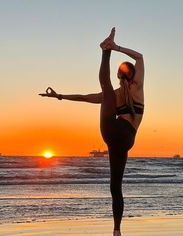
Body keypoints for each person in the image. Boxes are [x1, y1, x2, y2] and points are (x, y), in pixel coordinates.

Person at [39, 27, 144, 236]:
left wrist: (59, 96)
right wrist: (59, 96)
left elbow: (86, 97)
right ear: (132, 74)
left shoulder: (114, 95)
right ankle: (116, 230)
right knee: (116, 186)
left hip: (111, 134)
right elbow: (140, 57)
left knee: (114, 186)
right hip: (125, 139)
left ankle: (105, 51)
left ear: (119, 75)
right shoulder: (136, 88)